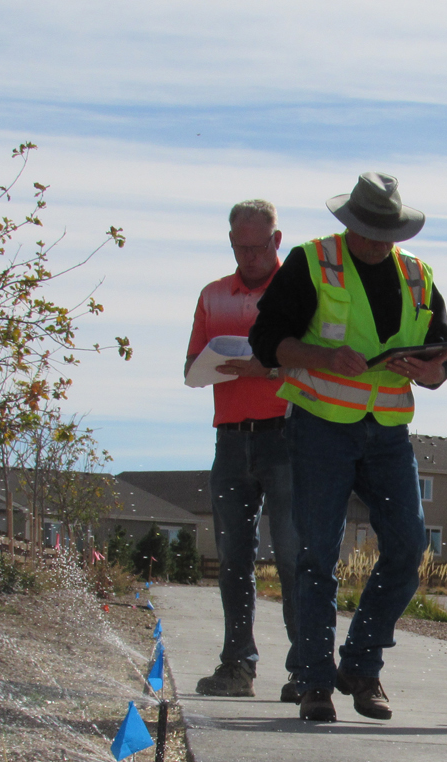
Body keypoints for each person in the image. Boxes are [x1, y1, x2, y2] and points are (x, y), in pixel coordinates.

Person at [249, 172, 447, 722]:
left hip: (388, 432)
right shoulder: (312, 262)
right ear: (348, 223)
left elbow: (441, 358)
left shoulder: (417, 275)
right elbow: (266, 340)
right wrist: (320, 358)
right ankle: (314, 680)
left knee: (408, 548)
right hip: (320, 427)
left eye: (388, 232)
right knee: (316, 555)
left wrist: (432, 372)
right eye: (367, 230)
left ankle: (361, 665)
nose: (378, 242)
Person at [185, 200, 301, 701]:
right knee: (233, 556)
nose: (248, 256)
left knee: (297, 555)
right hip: (230, 438)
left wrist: (268, 370)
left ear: (277, 240)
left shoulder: (301, 291)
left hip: (288, 434)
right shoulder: (213, 296)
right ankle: (237, 667)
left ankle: (307, 671)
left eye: (257, 246)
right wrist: (212, 363)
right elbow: (192, 364)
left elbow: (321, 364)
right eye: (239, 247)